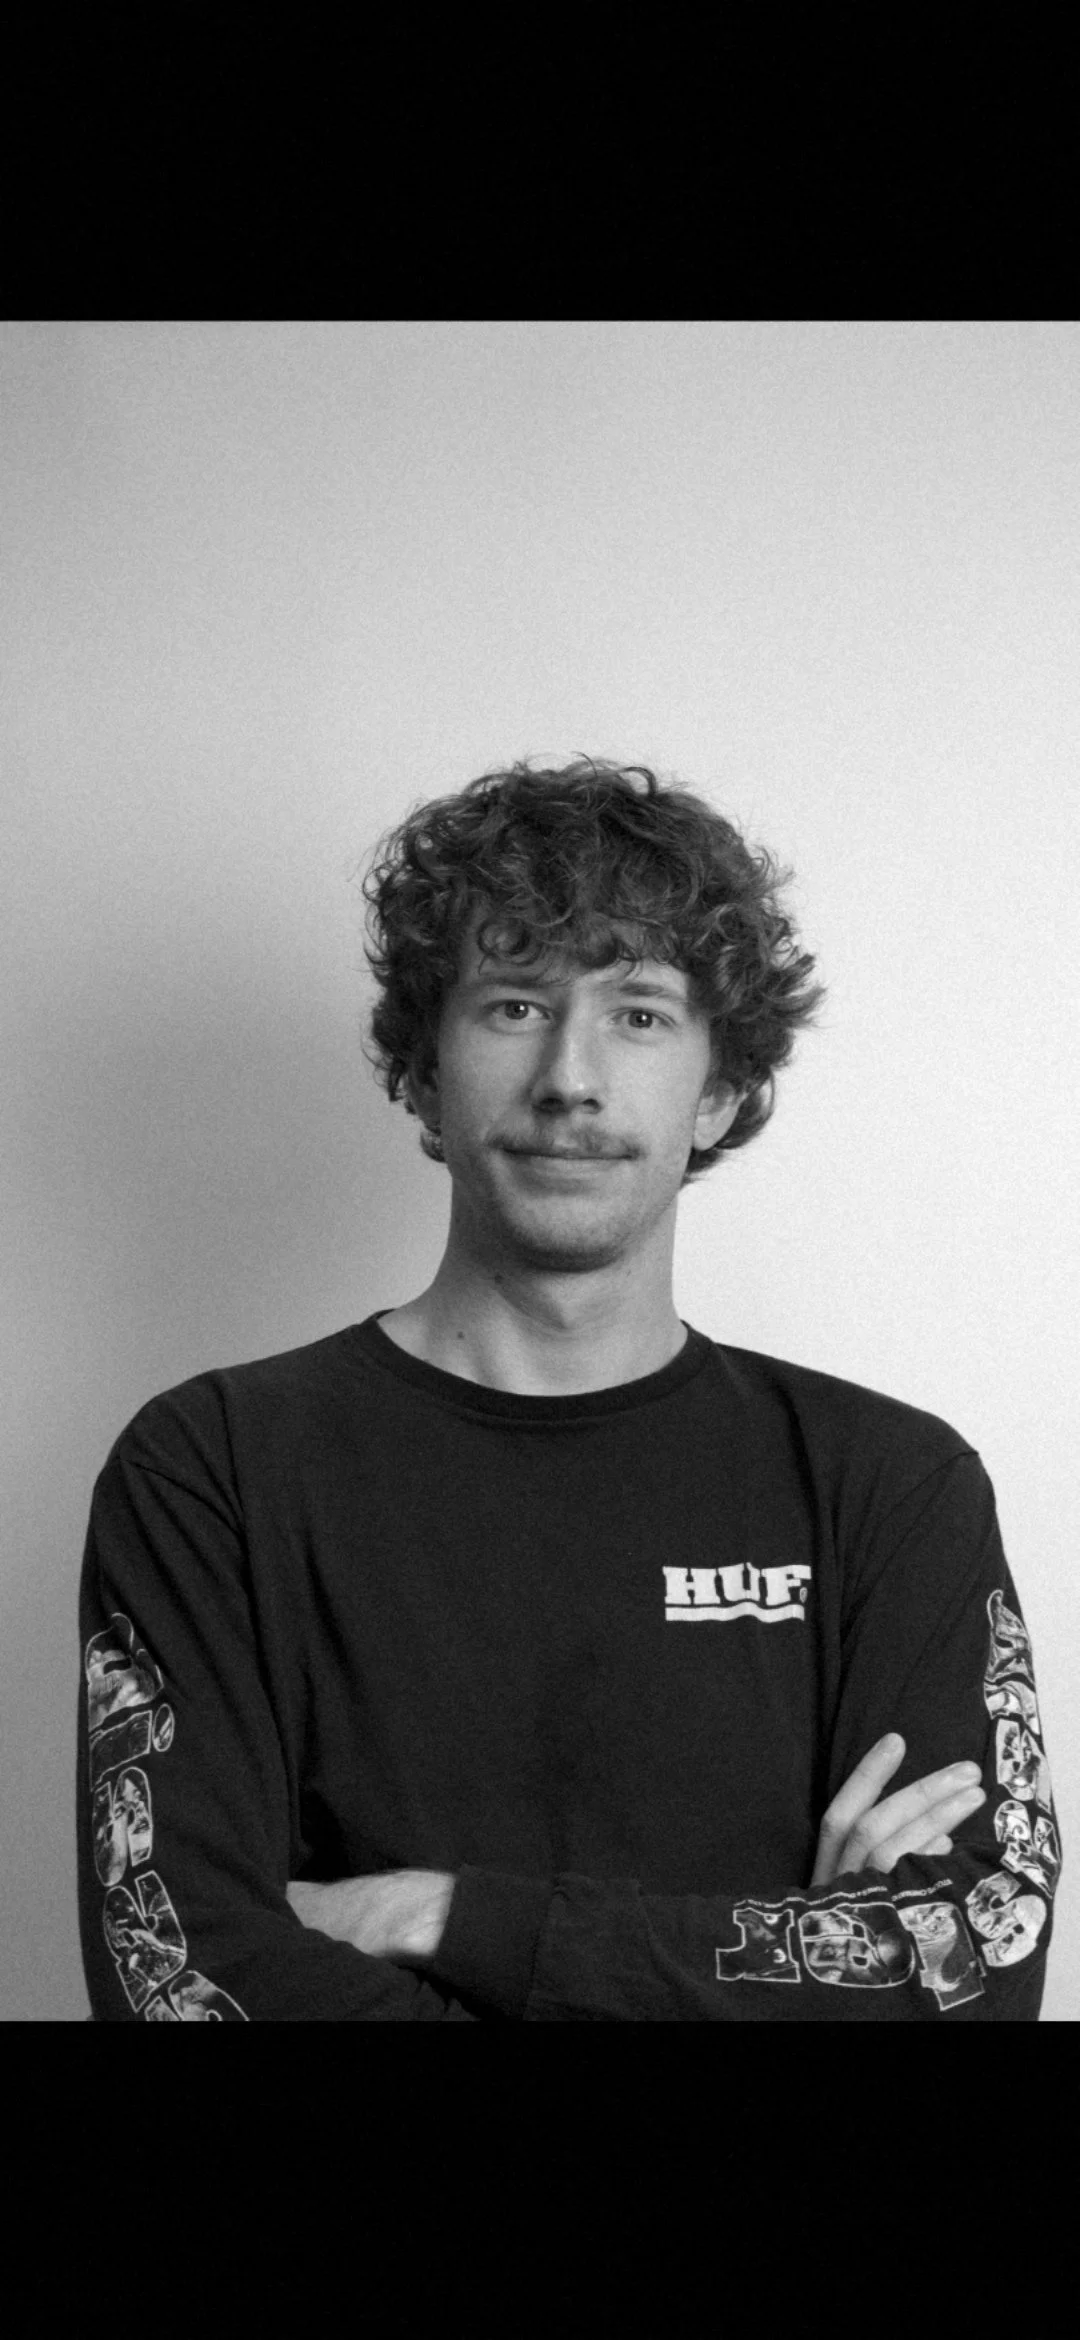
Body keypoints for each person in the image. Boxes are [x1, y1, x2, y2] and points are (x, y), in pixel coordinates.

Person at [77, 757, 1060, 2020]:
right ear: (424, 1073)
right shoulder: (211, 1470)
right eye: (514, 1005)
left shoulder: (889, 1488)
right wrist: (789, 1963)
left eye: (640, 1014)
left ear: (720, 1091)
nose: (570, 1079)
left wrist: (445, 1915)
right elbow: (180, 1972)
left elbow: (973, 1963)